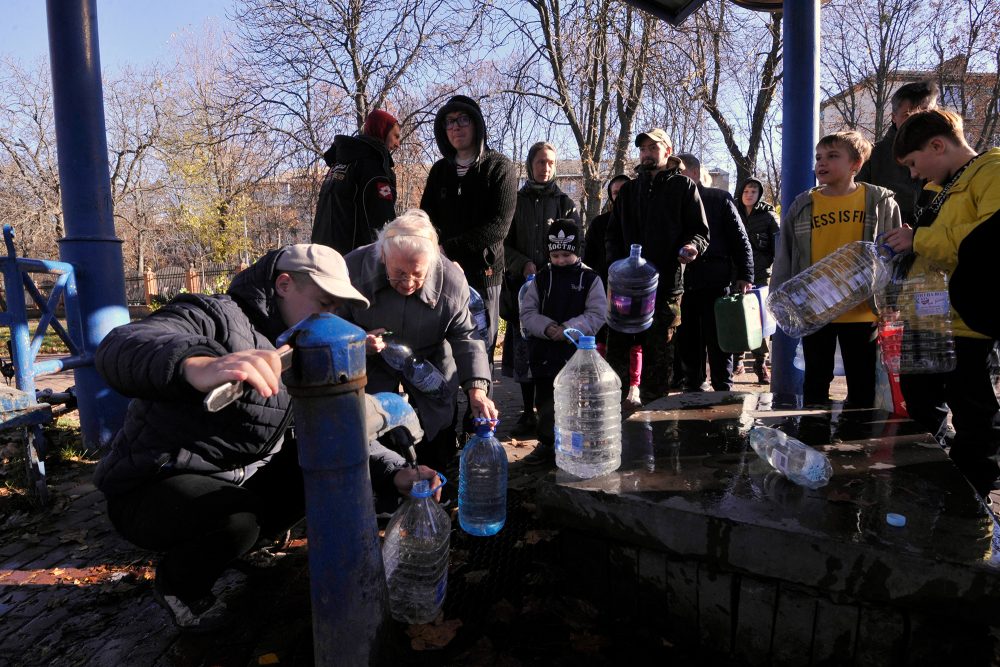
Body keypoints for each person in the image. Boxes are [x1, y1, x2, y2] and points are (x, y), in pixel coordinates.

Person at [94, 244, 437, 633]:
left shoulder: (302, 344)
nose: (331, 318)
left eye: (337, 308)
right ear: (285, 284)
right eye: (324, 303)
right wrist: (198, 364)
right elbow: (122, 345)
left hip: (237, 476)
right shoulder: (218, 315)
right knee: (238, 520)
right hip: (152, 483)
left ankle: (240, 545)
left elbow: (328, 434)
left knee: (312, 472)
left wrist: (395, 471)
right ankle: (179, 585)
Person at [883, 108, 1000, 498]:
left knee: (973, 413)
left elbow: (987, 241)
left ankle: (971, 500)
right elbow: (927, 245)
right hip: (923, 318)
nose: (914, 175)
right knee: (919, 408)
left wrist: (918, 239)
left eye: (915, 163)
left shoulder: (992, 171)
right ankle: (924, 483)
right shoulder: (938, 188)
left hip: (966, 324)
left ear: (938, 145)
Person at [343, 209, 499, 472]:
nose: (408, 283)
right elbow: (331, 318)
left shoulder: (451, 280)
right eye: (399, 273)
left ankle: (439, 476)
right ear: (383, 256)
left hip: (432, 357)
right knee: (373, 424)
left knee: (438, 430)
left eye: (418, 274)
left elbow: (466, 337)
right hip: (374, 360)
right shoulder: (353, 269)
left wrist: (477, 390)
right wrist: (358, 340)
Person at [771, 131, 901, 406]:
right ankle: (814, 438)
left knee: (861, 381)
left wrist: (893, 300)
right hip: (816, 309)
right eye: (818, 157)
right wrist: (780, 298)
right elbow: (785, 254)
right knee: (816, 379)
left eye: (832, 156)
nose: (822, 162)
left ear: (856, 163)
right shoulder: (803, 204)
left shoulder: (878, 201)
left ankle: (857, 442)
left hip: (863, 310)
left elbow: (895, 255)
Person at [605, 128, 710, 404]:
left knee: (658, 358)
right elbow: (612, 235)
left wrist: (692, 247)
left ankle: (655, 420)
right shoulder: (628, 190)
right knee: (617, 355)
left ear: (667, 151)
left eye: (653, 148)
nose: (647, 153)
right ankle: (616, 415)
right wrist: (616, 267)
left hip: (665, 287)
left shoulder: (683, 188)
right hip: (626, 290)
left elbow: (701, 232)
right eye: (643, 149)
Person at [420, 95, 517, 366]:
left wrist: (448, 248)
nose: (456, 127)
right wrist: (432, 248)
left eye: (463, 119)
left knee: (479, 347)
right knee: (441, 349)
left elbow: (498, 227)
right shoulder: (440, 171)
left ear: (476, 124)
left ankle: (479, 406)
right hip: (441, 271)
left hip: (483, 274)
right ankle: (446, 406)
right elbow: (426, 217)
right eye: (450, 122)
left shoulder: (499, 167)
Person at [502, 141, 580, 438]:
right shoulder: (515, 201)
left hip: (557, 290)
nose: (545, 167)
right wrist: (522, 264)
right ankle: (527, 411)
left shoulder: (564, 202)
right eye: (539, 162)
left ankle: (552, 411)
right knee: (525, 352)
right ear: (529, 164)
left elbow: (576, 241)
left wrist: (557, 265)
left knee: (553, 350)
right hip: (523, 289)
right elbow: (503, 244)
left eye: (550, 162)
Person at [519, 219, 606, 464]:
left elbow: (597, 314)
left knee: (576, 403)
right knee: (546, 402)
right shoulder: (542, 278)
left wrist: (569, 329)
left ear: (576, 251)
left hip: (576, 354)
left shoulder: (590, 279)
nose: (560, 260)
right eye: (555, 255)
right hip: (544, 352)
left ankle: (575, 445)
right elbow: (528, 313)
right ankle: (548, 444)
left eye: (566, 255)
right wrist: (546, 327)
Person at [675, 153, 754, 392]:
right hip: (682, 281)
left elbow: (740, 238)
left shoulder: (718, 198)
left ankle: (723, 387)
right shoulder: (672, 202)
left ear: (695, 173)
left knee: (719, 338)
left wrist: (745, 274)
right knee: (688, 338)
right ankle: (693, 383)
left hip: (715, 279)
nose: (676, 178)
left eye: (680, 172)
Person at [583, 174, 644, 406]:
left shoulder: (640, 222)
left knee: (633, 341)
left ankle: (634, 386)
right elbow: (588, 259)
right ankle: (602, 384)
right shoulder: (600, 223)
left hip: (634, 293)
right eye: (615, 192)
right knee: (602, 339)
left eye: (623, 191)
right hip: (604, 290)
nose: (618, 196)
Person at [311, 109, 401, 254]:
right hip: (353, 264)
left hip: (321, 257)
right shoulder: (373, 168)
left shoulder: (338, 165)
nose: (398, 144)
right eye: (395, 136)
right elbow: (382, 222)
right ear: (382, 131)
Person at [858, 81, 938, 226]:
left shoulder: (946, 157)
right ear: (894, 117)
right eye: (908, 115)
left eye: (925, 112)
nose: (917, 122)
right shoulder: (871, 156)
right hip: (884, 242)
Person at [737, 176, 780, 384]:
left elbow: (778, 244)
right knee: (735, 316)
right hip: (736, 274)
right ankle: (736, 358)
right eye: (746, 191)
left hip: (761, 274)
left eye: (753, 191)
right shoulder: (733, 210)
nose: (749, 195)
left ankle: (760, 363)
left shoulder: (768, 215)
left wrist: (772, 267)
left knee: (759, 321)